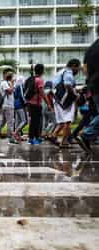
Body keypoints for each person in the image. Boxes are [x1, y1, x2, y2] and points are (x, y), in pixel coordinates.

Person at [48, 59, 81, 148]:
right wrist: (75, 94)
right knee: (68, 121)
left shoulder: (60, 71)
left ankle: (53, 136)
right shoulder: (68, 72)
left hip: (57, 99)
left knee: (62, 122)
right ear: (74, 65)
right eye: (78, 68)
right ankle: (64, 142)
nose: (78, 70)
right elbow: (67, 84)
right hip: (64, 100)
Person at [77, 26, 99, 154]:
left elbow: (84, 69)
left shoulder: (90, 49)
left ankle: (87, 134)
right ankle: (86, 134)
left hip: (94, 85)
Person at [26, 64, 52, 145]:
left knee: (34, 121)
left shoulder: (30, 79)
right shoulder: (39, 80)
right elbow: (42, 93)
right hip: (36, 104)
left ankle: (35, 137)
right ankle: (33, 139)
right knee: (36, 122)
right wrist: (48, 104)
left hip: (30, 103)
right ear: (42, 71)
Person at [0, 71, 17, 145]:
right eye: (13, 77)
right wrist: (12, 84)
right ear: (10, 77)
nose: (14, 78)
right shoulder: (5, 83)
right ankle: (11, 139)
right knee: (10, 122)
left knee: (2, 122)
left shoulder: (5, 83)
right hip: (8, 105)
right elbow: (10, 91)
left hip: (5, 105)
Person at [13, 76, 27, 142]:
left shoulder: (16, 86)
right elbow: (22, 96)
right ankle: (15, 133)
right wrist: (26, 103)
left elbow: (15, 96)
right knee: (24, 121)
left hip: (15, 105)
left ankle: (17, 137)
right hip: (20, 105)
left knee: (18, 122)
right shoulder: (20, 86)